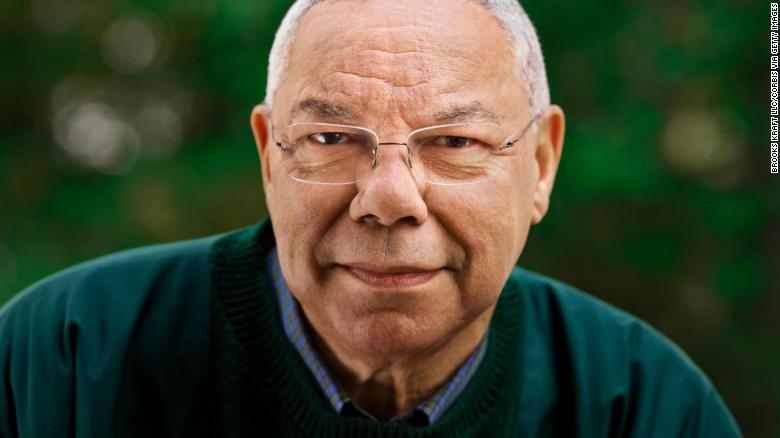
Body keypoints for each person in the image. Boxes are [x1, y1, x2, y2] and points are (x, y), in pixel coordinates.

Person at [0, 0, 741, 436]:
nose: (388, 197)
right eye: (329, 139)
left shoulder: (642, 407)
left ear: (540, 165)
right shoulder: (63, 362)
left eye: (455, 142)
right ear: (268, 156)